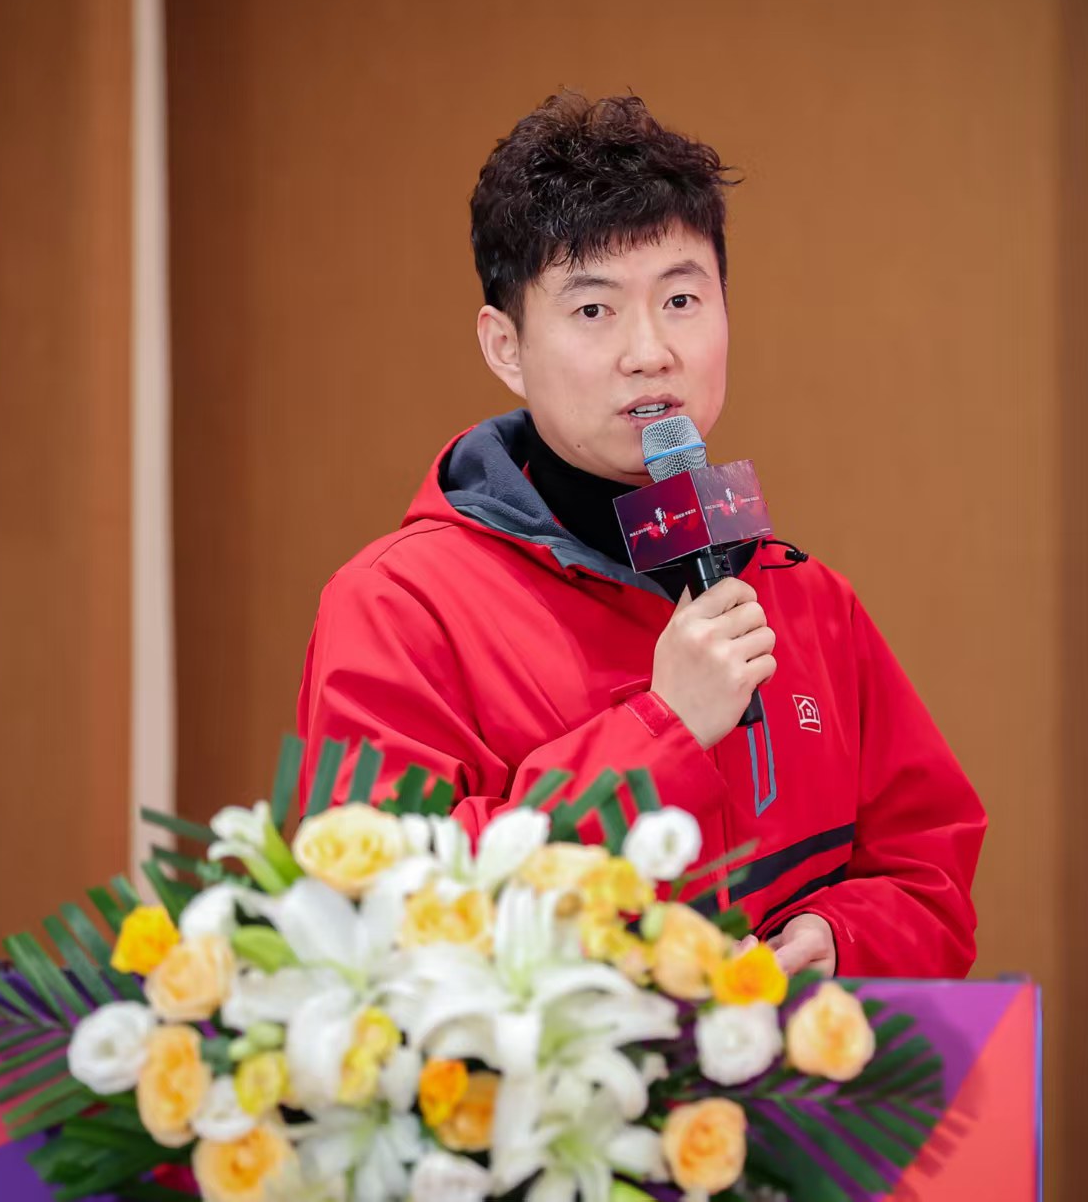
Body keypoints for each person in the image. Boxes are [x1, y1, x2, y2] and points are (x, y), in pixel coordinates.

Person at [296, 91, 985, 979]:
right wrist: (661, 730)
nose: (650, 351)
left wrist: (841, 935)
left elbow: (927, 872)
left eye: (682, 298)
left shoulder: (806, 597)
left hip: (792, 1067)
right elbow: (378, 909)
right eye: (594, 310)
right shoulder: (397, 607)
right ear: (505, 346)